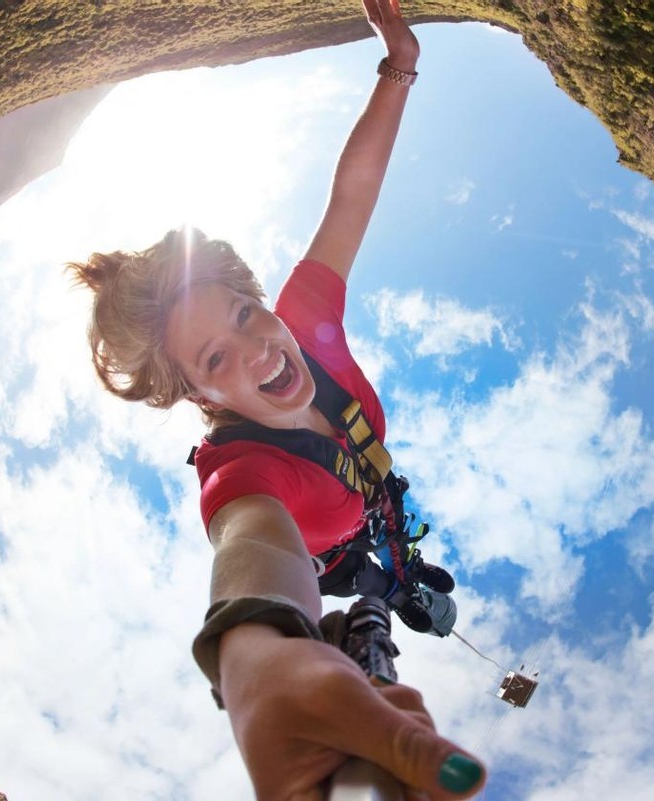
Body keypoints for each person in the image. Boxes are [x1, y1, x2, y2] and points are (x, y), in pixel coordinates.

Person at [66, 1, 485, 798]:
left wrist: (400, 63)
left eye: (245, 313)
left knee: (394, 556)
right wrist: (257, 658)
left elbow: (352, 194)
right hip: (333, 555)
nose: (262, 346)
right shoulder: (245, 472)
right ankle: (387, 593)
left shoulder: (306, 320)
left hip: (373, 502)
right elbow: (252, 548)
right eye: (218, 355)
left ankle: (399, 573)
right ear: (197, 392)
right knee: (374, 586)